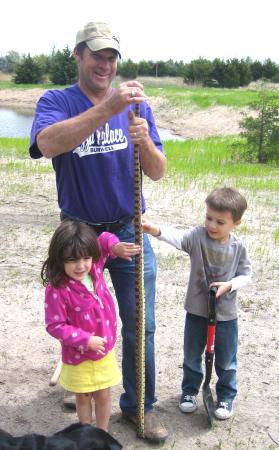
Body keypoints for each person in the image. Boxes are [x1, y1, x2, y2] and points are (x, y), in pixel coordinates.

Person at [29, 21, 167, 442]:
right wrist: (107, 109)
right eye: (97, 56)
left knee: (139, 323)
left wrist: (144, 142)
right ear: (78, 55)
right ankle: (84, 384)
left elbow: (158, 172)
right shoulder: (57, 100)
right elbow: (47, 144)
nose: (106, 65)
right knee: (77, 317)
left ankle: (138, 408)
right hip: (78, 236)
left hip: (127, 229)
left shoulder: (138, 106)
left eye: (112, 57)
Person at [142, 187, 252, 420]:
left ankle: (225, 396)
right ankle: (189, 392)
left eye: (220, 222)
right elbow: (177, 237)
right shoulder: (197, 237)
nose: (212, 225)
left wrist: (229, 285)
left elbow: (246, 275)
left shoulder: (238, 247)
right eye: (209, 218)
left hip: (226, 315)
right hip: (197, 311)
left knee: (226, 358)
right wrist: (155, 230)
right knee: (192, 355)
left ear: (236, 223)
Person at [42, 220, 141, 431]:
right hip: (79, 356)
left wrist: (114, 246)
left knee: (104, 395)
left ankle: (102, 434)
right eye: (72, 260)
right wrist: (85, 340)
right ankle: (85, 435)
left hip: (104, 350)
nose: (81, 266)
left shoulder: (94, 268)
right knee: (84, 396)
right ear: (59, 259)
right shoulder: (57, 289)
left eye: (86, 258)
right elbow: (55, 325)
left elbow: (104, 239)